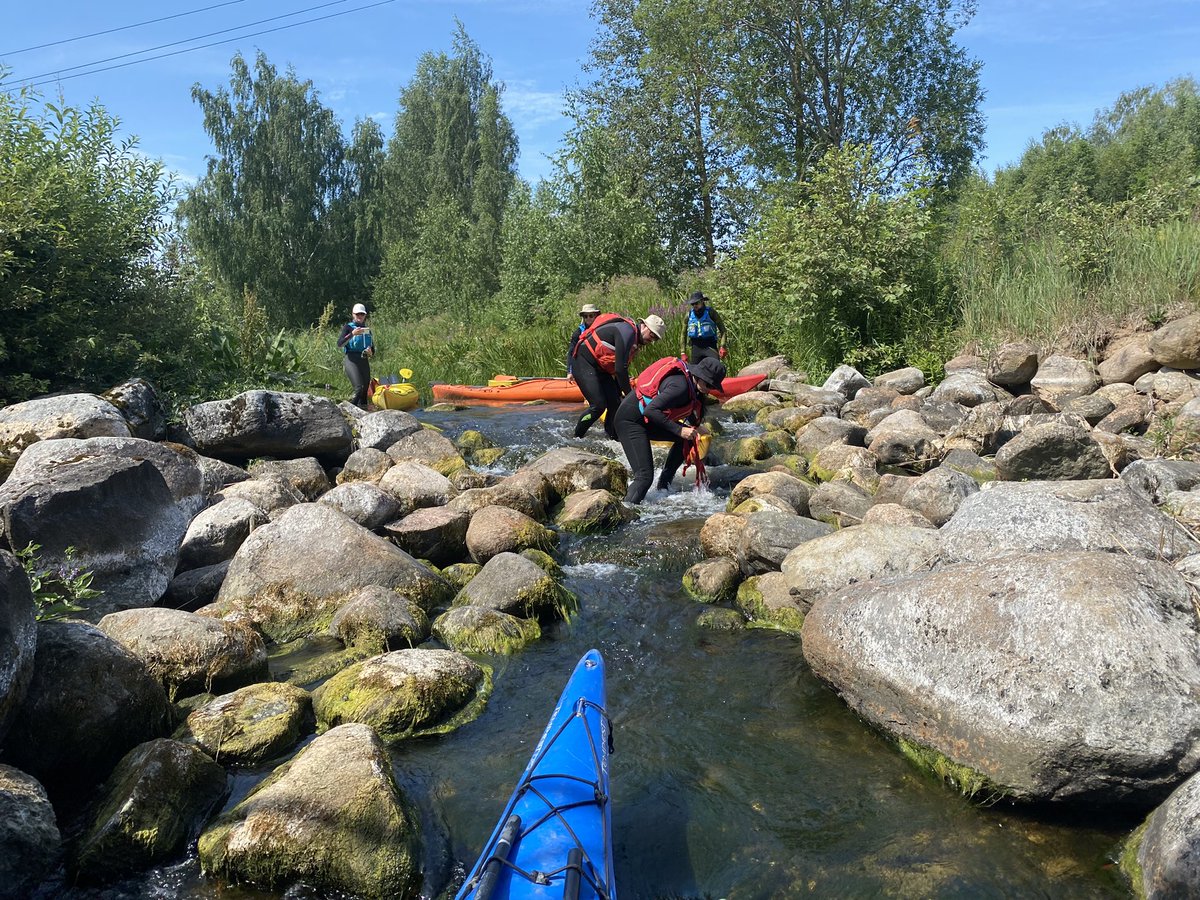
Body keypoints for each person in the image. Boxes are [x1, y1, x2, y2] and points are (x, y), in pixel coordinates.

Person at [614, 354, 726, 504]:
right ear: (698, 376)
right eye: (709, 385)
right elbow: (651, 411)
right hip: (630, 421)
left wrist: (697, 426)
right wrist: (680, 430)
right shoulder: (679, 387)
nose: (709, 390)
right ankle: (626, 511)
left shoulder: (694, 386)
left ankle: (663, 487)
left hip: (647, 420)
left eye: (713, 387)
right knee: (645, 477)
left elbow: (691, 406)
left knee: (688, 437)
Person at [571, 312, 666, 440]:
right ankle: (576, 437)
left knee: (616, 404)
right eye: (652, 335)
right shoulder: (627, 332)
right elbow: (621, 369)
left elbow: (618, 370)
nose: (652, 340)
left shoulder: (634, 339)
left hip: (601, 369)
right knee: (598, 406)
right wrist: (631, 396)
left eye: (655, 338)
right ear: (644, 326)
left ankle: (612, 438)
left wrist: (623, 394)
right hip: (583, 363)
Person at [338, 302, 375, 408]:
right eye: (357, 314)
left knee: (364, 393)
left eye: (362, 314)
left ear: (365, 316)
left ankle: (363, 415)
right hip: (351, 360)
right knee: (359, 389)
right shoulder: (348, 327)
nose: (359, 316)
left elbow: (373, 349)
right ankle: (347, 410)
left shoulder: (367, 330)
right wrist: (352, 334)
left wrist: (370, 352)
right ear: (353, 315)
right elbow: (340, 344)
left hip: (364, 360)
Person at [682, 291, 727, 364]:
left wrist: (722, 346)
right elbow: (683, 334)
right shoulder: (688, 315)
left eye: (696, 303)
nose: (694, 305)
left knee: (715, 367)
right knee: (695, 371)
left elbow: (723, 330)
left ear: (702, 301)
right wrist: (683, 352)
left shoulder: (711, 312)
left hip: (710, 345)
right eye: (692, 304)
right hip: (695, 347)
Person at [566, 303, 601, 383]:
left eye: (591, 316)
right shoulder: (578, 333)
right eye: (585, 316)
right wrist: (569, 372)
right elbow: (571, 353)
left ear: (596, 316)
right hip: (585, 368)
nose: (588, 318)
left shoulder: (602, 329)